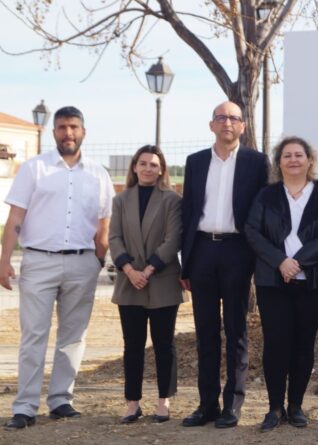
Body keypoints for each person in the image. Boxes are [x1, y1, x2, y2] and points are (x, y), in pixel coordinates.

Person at [1, 106, 115, 430]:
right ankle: (24, 406)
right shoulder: (34, 169)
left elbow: (104, 225)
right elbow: (15, 219)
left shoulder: (98, 174)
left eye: (74, 127)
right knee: (34, 335)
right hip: (39, 261)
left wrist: (97, 260)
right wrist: (4, 259)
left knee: (73, 336)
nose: (69, 133)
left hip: (83, 263)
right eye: (63, 127)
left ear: (83, 132)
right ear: (54, 133)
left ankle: (61, 400)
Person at [180, 101, 268, 428]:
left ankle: (233, 404)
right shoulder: (196, 161)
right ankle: (207, 405)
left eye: (233, 118)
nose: (227, 123)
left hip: (237, 252)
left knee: (236, 330)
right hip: (202, 251)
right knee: (204, 333)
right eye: (221, 118)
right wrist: (185, 263)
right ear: (211, 125)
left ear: (242, 126)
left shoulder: (257, 163)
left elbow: (261, 213)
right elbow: (188, 212)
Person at [244, 136, 318, 432]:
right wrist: (280, 262)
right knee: (275, 344)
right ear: (279, 162)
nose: (294, 160)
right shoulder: (267, 195)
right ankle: (275, 408)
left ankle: (296, 406)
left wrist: (297, 261)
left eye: (299, 155)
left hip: (312, 283)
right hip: (274, 282)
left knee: (303, 345)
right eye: (287, 155)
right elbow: (252, 230)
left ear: (310, 161)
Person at [109, 145, 185, 424]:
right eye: (143, 163)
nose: (148, 168)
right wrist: (130, 269)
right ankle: (132, 403)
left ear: (162, 168)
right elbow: (114, 237)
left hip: (162, 280)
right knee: (132, 346)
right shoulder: (121, 200)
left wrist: (149, 269)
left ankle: (163, 402)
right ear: (134, 167)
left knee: (164, 344)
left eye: (154, 164)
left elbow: (173, 239)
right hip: (129, 283)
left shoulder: (172, 200)